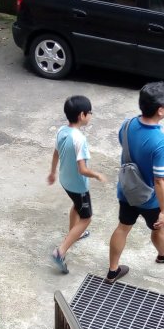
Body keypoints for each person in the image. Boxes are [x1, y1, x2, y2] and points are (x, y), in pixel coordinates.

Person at [106, 81, 164, 283]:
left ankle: (113, 270)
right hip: (150, 199)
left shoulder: (127, 125)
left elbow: (126, 148)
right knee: (158, 228)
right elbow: (160, 180)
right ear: (161, 111)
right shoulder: (160, 141)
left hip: (127, 190)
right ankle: (163, 255)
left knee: (123, 227)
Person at [48, 95, 105, 274]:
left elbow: (56, 152)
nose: (90, 116)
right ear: (82, 115)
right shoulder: (79, 139)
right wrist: (96, 174)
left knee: (76, 205)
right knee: (86, 217)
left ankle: (74, 233)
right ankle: (61, 251)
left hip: (65, 180)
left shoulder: (61, 131)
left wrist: (52, 172)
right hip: (78, 185)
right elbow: (82, 169)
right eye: (90, 113)